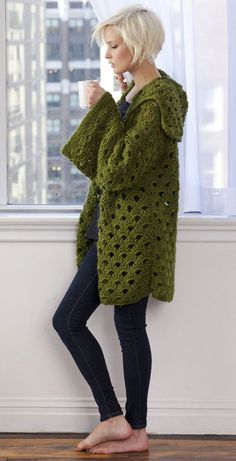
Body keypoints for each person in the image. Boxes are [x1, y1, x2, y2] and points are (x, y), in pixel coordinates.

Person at [52, 4, 188, 455]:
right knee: (105, 324)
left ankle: (123, 422)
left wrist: (102, 107)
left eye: (114, 45)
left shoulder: (159, 100)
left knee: (91, 323)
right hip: (111, 229)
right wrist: (113, 102)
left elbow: (118, 169)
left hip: (130, 234)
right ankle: (129, 425)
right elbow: (112, 164)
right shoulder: (133, 95)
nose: (107, 55)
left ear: (140, 44)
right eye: (105, 46)